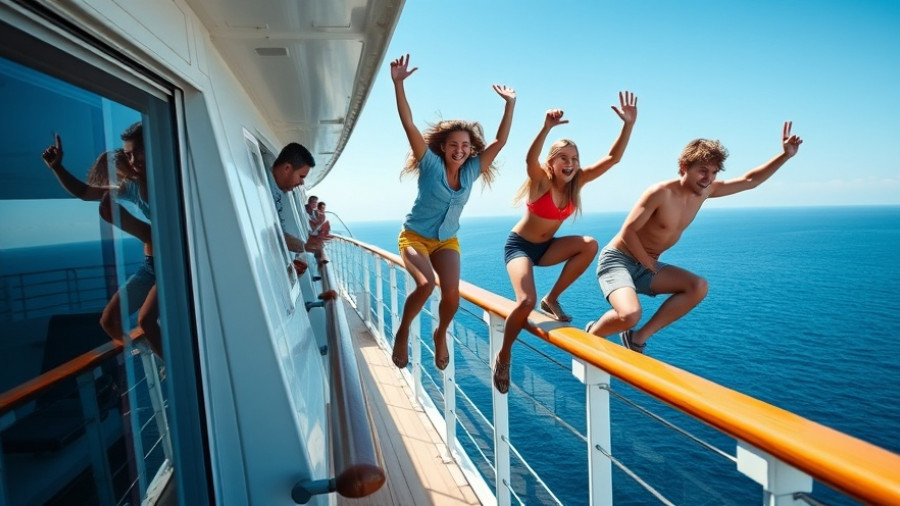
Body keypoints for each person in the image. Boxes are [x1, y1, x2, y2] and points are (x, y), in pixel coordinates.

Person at [585, 122, 803, 354]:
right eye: (702, 170)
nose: (707, 178)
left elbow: (751, 181)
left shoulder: (706, 191)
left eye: (713, 172)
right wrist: (649, 265)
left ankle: (637, 338)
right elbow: (628, 231)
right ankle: (593, 334)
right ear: (684, 167)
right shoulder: (660, 193)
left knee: (697, 286)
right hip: (618, 260)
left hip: (645, 264)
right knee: (630, 314)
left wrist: (785, 156)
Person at [493, 92, 638, 393]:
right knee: (524, 302)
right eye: (564, 158)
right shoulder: (541, 181)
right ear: (553, 162)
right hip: (520, 246)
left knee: (589, 244)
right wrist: (546, 128)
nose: (570, 164)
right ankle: (505, 354)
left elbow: (614, 158)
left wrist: (628, 125)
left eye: (574, 159)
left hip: (547, 248)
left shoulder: (578, 182)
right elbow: (529, 159)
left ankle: (553, 298)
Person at [389, 53, 516, 371]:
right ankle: (403, 331)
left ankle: (440, 334)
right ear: (443, 148)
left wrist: (509, 104)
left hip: (447, 241)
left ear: (471, 150)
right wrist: (398, 84)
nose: (460, 149)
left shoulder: (472, 170)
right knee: (425, 284)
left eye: (466, 145)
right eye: (454, 144)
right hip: (415, 237)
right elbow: (408, 123)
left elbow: (500, 141)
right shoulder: (429, 164)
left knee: (452, 298)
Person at [41, 123, 163, 357]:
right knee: (109, 321)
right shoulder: (132, 186)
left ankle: (175, 369)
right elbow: (85, 193)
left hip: (169, 263)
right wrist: (58, 168)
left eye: (138, 151)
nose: (133, 159)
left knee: (146, 321)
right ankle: (149, 353)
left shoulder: (169, 180)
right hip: (151, 266)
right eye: (128, 154)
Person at [267, 142, 321, 254]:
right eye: (301, 176)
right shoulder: (264, 188)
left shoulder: (276, 189)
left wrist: (304, 247)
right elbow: (271, 237)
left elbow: (278, 235)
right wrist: (305, 247)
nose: (302, 182)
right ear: (287, 168)